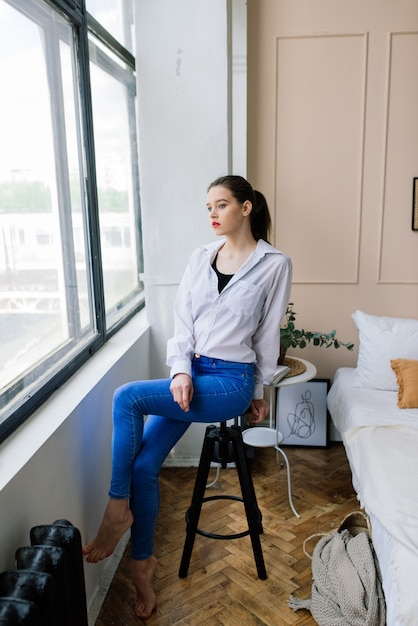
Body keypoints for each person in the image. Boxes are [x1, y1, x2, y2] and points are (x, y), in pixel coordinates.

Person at [82, 175, 292, 619]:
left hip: (230, 382)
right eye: (208, 207)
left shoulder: (274, 264)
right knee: (143, 465)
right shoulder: (200, 258)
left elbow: (268, 335)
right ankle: (144, 567)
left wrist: (258, 391)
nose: (213, 214)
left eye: (221, 205)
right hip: (191, 375)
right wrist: (180, 370)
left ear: (247, 207)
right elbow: (182, 324)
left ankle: (115, 512)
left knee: (126, 398)